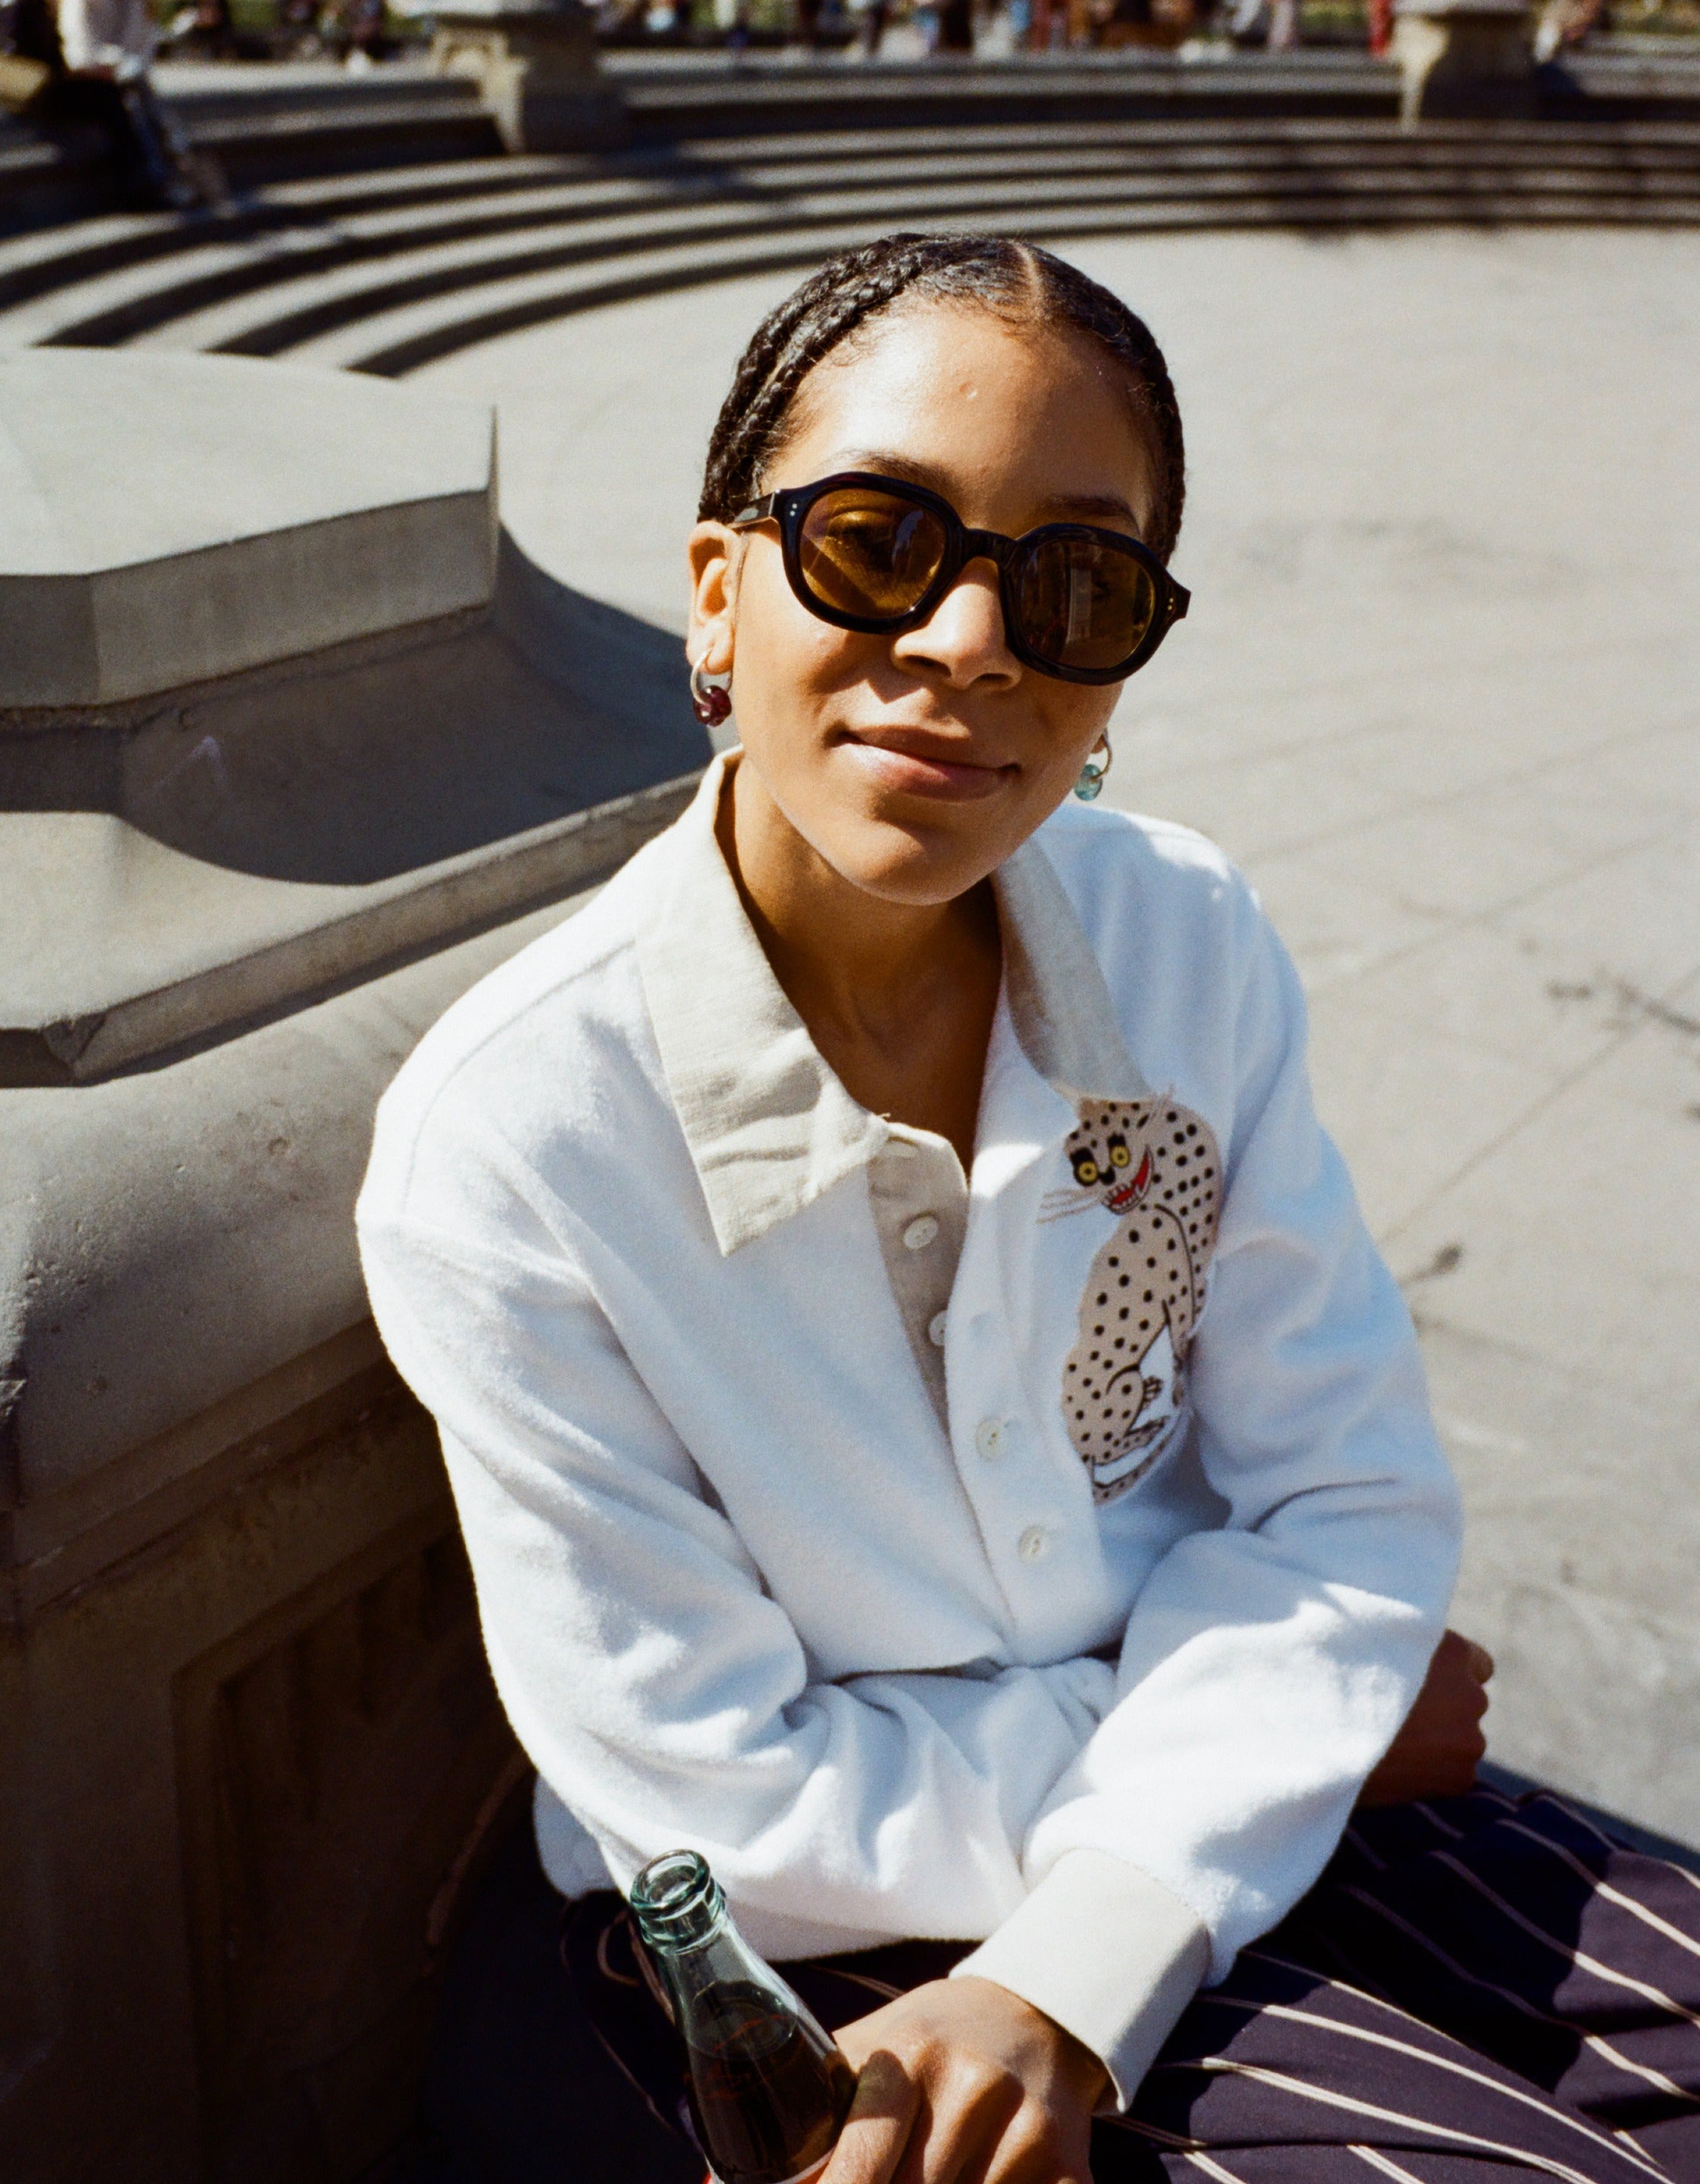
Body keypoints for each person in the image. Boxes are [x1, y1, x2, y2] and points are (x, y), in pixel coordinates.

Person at [358, 233, 1700, 2183]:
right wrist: (1285, 1728)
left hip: (1257, 1780)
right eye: (875, 541)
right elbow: (713, 1794)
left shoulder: (1186, 937)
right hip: (827, 1930)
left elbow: (1344, 1492)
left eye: (1076, 583)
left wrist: (1154, 1863)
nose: (974, 638)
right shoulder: (516, 1142)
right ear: (718, 589)